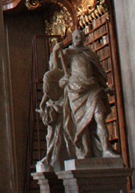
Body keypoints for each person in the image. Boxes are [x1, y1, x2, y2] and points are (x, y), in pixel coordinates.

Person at [59, 28, 116, 160]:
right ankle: (87, 151)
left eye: (80, 36)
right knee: (82, 123)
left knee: (99, 116)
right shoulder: (67, 54)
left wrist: (105, 87)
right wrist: (59, 47)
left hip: (92, 88)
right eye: (75, 36)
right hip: (76, 91)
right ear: (72, 38)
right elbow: (57, 67)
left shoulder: (89, 54)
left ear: (84, 38)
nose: (78, 38)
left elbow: (98, 72)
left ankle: (106, 148)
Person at [37, 43, 72, 170]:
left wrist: (56, 50)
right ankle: (52, 156)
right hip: (59, 107)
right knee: (53, 135)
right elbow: (49, 93)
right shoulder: (59, 75)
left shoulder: (57, 75)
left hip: (63, 107)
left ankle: (53, 157)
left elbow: (48, 93)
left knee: (57, 135)